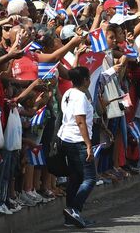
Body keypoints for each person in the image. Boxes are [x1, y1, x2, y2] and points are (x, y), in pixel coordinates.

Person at [57, 66, 97, 228]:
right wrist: (88, 144)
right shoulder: (80, 96)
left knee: (75, 179)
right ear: (86, 80)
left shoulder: (68, 93)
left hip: (65, 138)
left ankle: (70, 218)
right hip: (77, 140)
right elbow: (80, 121)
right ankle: (73, 209)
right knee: (90, 178)